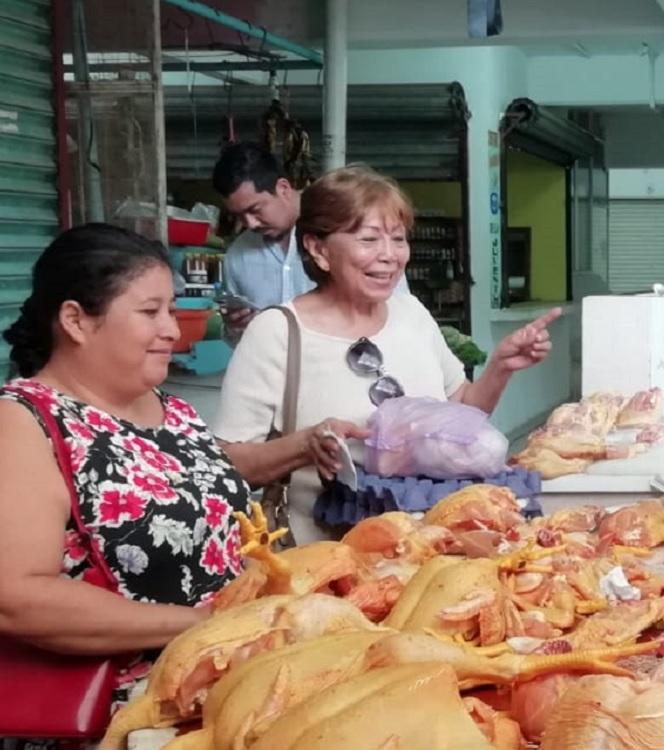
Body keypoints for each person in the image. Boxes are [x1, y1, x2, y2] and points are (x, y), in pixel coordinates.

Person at [213, 165, 561, 544]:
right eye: (369, 239)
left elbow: (461, 413)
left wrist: (501, 367)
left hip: (430, 555)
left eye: (398, 239)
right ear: (318, 248)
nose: (390, 256)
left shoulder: (412, 314)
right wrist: (305, 445)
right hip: (324, 564)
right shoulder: (277, 332)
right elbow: (228, 462)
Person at [0, 224, 251, 728]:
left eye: (171, 308)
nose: (172, 330)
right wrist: (200, 625)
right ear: (75, 320)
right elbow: (17, 597)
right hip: (122, 716)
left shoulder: (172, 410)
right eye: (149, 311)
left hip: (221, 695)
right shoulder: (25, 422)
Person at [211, 143, 408, 340]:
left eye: (255, 210)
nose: (250, 224)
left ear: (283, 188)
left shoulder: (343, 226)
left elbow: (399, 312)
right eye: (239, 216)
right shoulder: (238, 256)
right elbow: (234, 339)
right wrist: (235, 328)